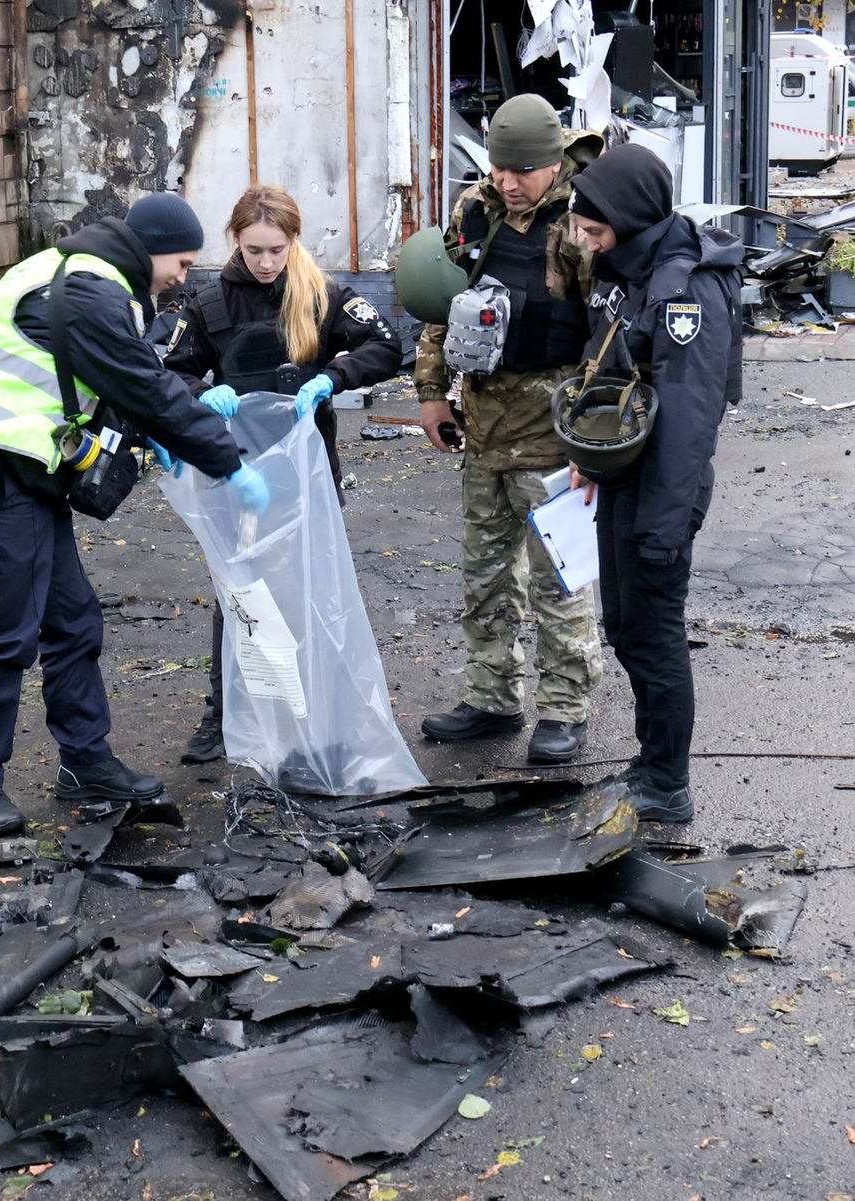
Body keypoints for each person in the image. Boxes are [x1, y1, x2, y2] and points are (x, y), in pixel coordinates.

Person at [0, 193, 270, 835]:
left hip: (27, 474)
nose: (183, 278)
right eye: (183, 262)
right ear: (154, 248)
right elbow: (144, 383)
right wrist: (226, 462)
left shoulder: (83, 272)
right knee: (8, 633)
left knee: (73, 622)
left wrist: (147, 432)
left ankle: (85, 764)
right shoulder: (90, 288)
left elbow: (101, 382)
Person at [163, 184, 403, 763]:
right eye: (254, 251)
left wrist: (335, 376)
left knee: (313, 591)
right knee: (239, 595)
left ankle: (319, 711)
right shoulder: (209, 304)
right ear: (235, 243)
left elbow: (387, 343)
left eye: (277, 249)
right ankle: (225, 714)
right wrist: (204, 392)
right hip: (240, 474)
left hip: (308, 470)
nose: (267, 262)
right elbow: (167, 371)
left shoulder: (322, 295)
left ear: (293, 242)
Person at [408, 94, 603, 764]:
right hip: (485, 427)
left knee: (563, 578)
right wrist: (433, 394)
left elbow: (608, 336)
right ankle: (492, 696)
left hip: (557, 433)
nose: (508, 180)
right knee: (486, 573)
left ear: (553, 162)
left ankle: (564, 709)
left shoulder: (584, 223)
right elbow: (443, 304)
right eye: (499, 166)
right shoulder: (474, 209)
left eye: (522, 169)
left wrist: (597, 441)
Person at [564, 143, 743, 823]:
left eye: (594, 226)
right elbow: (605, 361)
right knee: (626, 627)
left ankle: (668, 783)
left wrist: (664, 530)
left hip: (663, 489)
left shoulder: (684, 289)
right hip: (626, 475)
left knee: (654, 630)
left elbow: (690, 422)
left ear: (632, 216)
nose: (585, 238)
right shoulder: (625, 266)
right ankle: (649, 761)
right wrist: (591, 450)